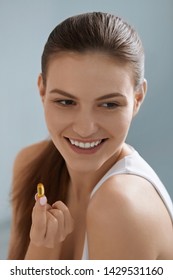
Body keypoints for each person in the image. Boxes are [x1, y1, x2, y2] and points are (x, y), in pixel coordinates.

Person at [8, 12, 173, 260]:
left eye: (108, 105)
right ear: (42, 90)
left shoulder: (120, 206)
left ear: (137, 99)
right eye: (66, 101)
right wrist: (43, 245)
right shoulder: (31, 164)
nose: (85, 129)